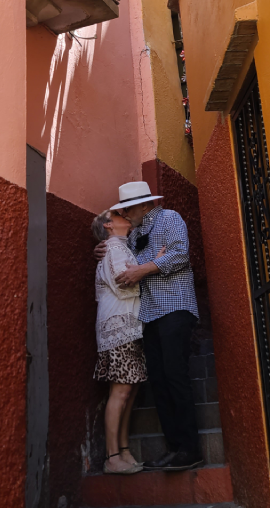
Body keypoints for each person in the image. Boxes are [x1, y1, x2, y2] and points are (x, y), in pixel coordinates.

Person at [96, 182, 203, 472]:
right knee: (159, 380)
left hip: (175, 307)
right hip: (150, 314)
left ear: (145, 205)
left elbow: (180, 253)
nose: (126, 214)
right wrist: (106, 247)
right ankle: (174, 448)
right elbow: (122, 262)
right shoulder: (132, 237)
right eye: (123, 210)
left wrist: (142, 269)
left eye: (128, 208)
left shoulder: (169, 218)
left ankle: (190, 449)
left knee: (175, 375)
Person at [91, 209, 149, 475]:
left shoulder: (119, 247)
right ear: (109, 225)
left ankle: (123, 451)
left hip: (127, 327)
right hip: (119, 328)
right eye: (118, 214)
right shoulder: (113, 248)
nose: (125, 215)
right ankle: (113, 456)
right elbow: (123, 283)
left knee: (130, 390)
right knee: (122, 392)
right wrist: (151, 268)